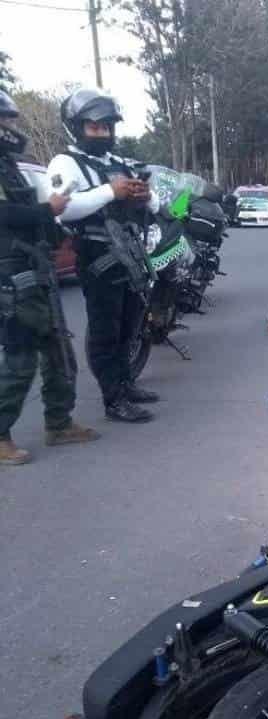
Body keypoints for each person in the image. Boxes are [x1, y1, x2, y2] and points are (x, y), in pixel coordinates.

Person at [47, 88, 160, 424]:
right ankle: (113, 399)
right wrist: (111, 191)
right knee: (105, 330)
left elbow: (153, 205)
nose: (102, 134)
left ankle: (126, 383)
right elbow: (64, 209)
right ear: (77, 127)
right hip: (98, 257)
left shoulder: (119, 163)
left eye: (107, 127)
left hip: (130, 253)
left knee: (130, 324)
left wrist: (144, 196)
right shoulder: (66, 163)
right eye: (94, 127)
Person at [0, 91, 99, 466]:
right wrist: (48, 208)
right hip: (10, 276)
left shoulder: (9, 165)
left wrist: (56, 231)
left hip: (35, 271)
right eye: (5, 121)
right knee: (20, 359)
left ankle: (59, 423)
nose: (11, 128)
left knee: (59, 351)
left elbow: (27, 213)